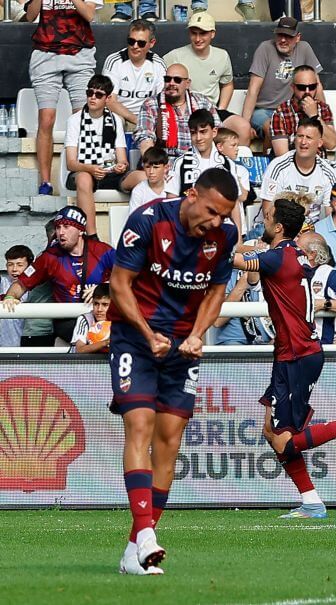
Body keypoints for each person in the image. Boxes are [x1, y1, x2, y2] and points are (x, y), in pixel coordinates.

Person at [106, 168, 239, 575]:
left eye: (224, 215)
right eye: (212, 212)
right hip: (136, 337)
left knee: (169, 439)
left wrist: (199, 334)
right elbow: (119, 284)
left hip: (183, 345)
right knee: (140, 425)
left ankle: (135, 547)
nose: (216, 222)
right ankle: (146, 535)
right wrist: (147, 335)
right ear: (192, 194)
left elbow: (216, 291)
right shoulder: (147, 221)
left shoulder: (225, 236)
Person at [234, 197, 336, 521]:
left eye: (267, 217)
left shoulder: (276, 257)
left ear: (279, 226)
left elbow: (236, 261)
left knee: (285, 441)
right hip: (290, 354)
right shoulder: (295, 254)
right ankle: (311, 501)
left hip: (299, 354)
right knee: (271, 431)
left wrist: (218, 237)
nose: (263, 221)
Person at [3, 207, 115, 344]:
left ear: (80, 230)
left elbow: (133, 276)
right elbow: (20, 284)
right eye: (58, 227)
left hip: (102, 316)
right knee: (93, 335)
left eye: (67, 227)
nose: (61, 232)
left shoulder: (103, 250)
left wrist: (103, 287)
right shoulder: (49, 257)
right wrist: (10, 296)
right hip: (68, 321)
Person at [26, 0, 103, 196]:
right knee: (46, 118)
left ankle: (82, 175)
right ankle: (45, 182)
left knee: (83, 117)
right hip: (45, 54)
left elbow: (89, 14)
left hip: (80, 53)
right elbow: (30, 16)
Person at [162, 12, 252, 146]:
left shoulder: (222, 56)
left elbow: (227, 84)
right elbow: (161, 83)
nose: (197, 38)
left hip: (212, 110)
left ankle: (235, 166)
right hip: (184, 110)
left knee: (244, 127)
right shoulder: (174, 56)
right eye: (194, 33)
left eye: (202, 33)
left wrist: (220, 108)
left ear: (212, 34)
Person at [64, 75, 130, 238]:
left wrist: (121, 165)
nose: (93, 97)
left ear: (107, 98)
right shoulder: (75, 120)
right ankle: (91, 237)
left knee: (142, 177)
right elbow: (70, 163)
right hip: (84, 170)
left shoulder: (115, 120)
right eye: (90, 93)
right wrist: (90, 168)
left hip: (110, 172)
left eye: (98, 94)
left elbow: (122, 158)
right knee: (84, 178)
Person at [242, 17, 323, 147]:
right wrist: (244, 125)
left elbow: (317, 85)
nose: (283, 40)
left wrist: (321, 116)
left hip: (290, 110)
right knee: (274, 128)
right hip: (263, 109)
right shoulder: (265, 48)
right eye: (280, 35)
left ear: (298, 37)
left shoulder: (304, 48)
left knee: (307, 132)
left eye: (288, 36)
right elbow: (253, 89)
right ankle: (271, 164)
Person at [134, 63, 221, 158]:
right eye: (168, 79)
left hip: (198, 162)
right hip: (164, 164)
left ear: (187, 84)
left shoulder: (203, 103)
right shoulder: (151, 104)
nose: (171, 83)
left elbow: (218, 133)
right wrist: (154, 163)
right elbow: (145, 137)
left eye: (177, 80)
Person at [261, 117, 336, 223]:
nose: (303, 142)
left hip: (311, 231)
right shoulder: (278, 166)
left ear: (319, 143)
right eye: (300, 136)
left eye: (309, 137)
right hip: (279, 227)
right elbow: (267, 212)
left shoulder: (327, 172)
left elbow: (331, 215)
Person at [164, 110, 244, 201]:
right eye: (193, 133)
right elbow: (171, 202)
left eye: (203, 132)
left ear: (214, 132)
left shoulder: (228, 164)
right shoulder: (180, 163)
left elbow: (234, 203)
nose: (198, 138)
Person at [102, 19, 167, 127]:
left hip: (148, 117)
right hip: (119, 115)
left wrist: (147, 121)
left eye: (141, 43)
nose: (135, 46)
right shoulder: (114, 61)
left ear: (152, 43)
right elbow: (109, 101)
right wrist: (137, 121)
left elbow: (162, 100)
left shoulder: (158, 64)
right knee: (114, 121)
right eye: (131, 41)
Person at [296, 230, 336, 346]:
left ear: (312, 254)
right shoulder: (289, 272)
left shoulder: (329, 275)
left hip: (321, 345)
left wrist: (324, 304)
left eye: (298, 250)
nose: (294, 253)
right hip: (294, 344)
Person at [271, 65, 336, 156]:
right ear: (293, 87)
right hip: (292, 167)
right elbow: (282, 156)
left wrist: (315, 116)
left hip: (320, 166)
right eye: (301, 87)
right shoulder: (281, 112)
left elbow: (331, 144)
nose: (307, 92)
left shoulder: (323, 108)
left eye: (312, 87)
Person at [212, 268, 271, 346]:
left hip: (270, 342)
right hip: (234, 342)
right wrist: (242, 285)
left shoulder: (273, 272)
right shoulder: (225, 276)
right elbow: (217, 321)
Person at [0, 246, 34, 348]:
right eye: (10, 265)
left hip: (29, 343)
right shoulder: (2, 283)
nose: (14, 269)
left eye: (20, 265)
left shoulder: (37, 287)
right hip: (4, 346)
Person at [124, 146, 168, 214]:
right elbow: (133, 219)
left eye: (156, 167)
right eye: (147, 167)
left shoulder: (172, 189)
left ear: (165, 168)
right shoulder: (138, 191)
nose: (151, 171)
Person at [71, 282, 111, 354]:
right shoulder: (85, 319)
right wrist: (106, 342)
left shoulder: (119, 321)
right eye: (96, 304)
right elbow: (79, 350)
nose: (99, 309)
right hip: (82, 363)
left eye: (105, 305)